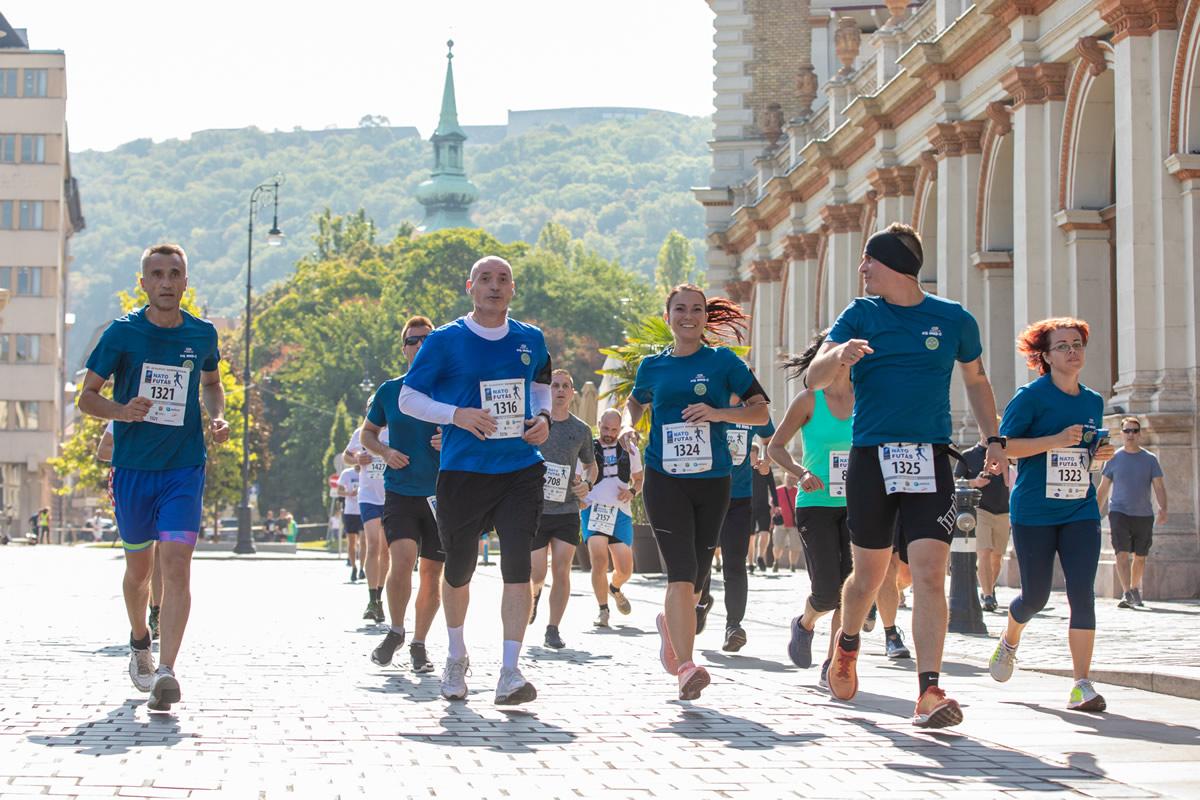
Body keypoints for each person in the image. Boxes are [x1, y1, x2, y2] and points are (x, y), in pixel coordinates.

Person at [805, 223, 1005, 728]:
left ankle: (929, 690)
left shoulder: (953, 318)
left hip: (930, 459)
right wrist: (839, 354)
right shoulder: (860, 314)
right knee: (869, 577)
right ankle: (847, 645)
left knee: (929, 574)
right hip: (872, 459)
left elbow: (977, 380)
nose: (862, 269)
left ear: (892, 263)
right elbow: (813, 377)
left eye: (868, 259)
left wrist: (994, 439)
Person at [78, 243, 228, 712]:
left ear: (186, 281)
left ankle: (167, 671)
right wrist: (122, 411)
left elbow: (211, 383)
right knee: (138, 572)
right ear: (143, 283)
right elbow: (87, 397)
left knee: (177, 565)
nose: (166, 282)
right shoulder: (123, 334)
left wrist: (217, 416)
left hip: (184, 467)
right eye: (157, 274)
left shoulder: (202, 334)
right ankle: (140, 642)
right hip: (133, 469)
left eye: (175, 273)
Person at [398, 255, 552, 705]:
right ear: (471, 287)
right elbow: (409, 397)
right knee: (459, 568)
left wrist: (542, 416)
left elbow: (540, 383)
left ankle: (510, 671)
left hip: (520, 467)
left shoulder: (530, 338)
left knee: (517, 566)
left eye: (503, 279)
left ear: (513, 289)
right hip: (464, 471)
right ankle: (456, 654)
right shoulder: (446, 340)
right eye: (486, 279)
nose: (494, 286)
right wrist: (456, 416)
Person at [623, 283, 769, 700]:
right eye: (680, 309)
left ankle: (671, 626)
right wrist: (632, 424)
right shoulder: (652, 366)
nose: (689, 316)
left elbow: (760, 410)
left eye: (697, 310)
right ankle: (687, 668)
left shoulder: (723, 362)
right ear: (667, 316)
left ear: (706, 318)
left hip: (714, 479)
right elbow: (636, 402)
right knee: (681, 573)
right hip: (664, 479)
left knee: (699, 583)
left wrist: (718, 412)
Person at [989, 317, 1115, 712]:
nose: (1073, 351)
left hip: (1079, 509)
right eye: (1063, 346)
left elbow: (1083, 454)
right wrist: (1055, 441)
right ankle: (1011, 636)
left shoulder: (1093, 400)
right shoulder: (1030, 397)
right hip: (1034, 511)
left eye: (1077, 344)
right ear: (1044, 356)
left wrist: (1098, 455)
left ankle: (1082, 684)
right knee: (1036, 596)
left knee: (1083, 594)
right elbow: (1005, 448)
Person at [770, 329, 857, 686]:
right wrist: (800, 472)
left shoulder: (867, 398)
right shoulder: (809, 400)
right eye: (835, 351)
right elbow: (776, 447)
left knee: (851, 590)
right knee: (826, 590)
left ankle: (835, 662)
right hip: (816, 503)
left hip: (858, 504)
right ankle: (805, 623)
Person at [359, 315, 445, 673]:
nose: (420, 345)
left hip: (443, 494)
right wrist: (385, 451)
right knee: (401, 561)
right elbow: (367, 434)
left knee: (431, 574)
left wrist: (453, 440)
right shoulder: (390, 390)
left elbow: (479, 427)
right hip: (401, 492)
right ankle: (396, 629)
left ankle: (419, 644)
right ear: (404, 348)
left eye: (427, 338)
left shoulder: (450, 389)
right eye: (413, 340)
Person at [529, 369, 597, 649]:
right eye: (554, 385)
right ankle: (532, 597)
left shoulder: (580, 429)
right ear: (548, 391)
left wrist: (587, 486)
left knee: (561, 569)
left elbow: (591, 465)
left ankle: (553, 628)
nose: (559, 390)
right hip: (535, 509)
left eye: (564, 386)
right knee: (536, 573)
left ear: (572, 393)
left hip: (567, 509)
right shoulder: (533, 422)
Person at [702, 407, 774, 651]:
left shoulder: (754, 412)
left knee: (735, 563)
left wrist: (766, 459)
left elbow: (771, 437)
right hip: (707, 495)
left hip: (740, 498)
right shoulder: (711, 402)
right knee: (702, 560)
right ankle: (700, 603)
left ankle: (734, 626)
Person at [98, 421, 163, 640]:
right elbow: (103, 449)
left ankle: (157, 611)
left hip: (168, 482)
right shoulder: (125, 413)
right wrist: (139, 452)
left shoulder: (174, 409)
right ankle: (146, 619)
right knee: (146, 555)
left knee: (164, 551)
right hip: (133, 485)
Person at [1096, 416, 1167, 609]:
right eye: (1127, 431)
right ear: (1121, 433)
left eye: (1134, 431)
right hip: (1119, 512)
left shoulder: (1150, 459)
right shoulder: (1113, 458)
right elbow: (1103, 488)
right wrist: (1094, 512)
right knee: (1121, 553)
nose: (1131, 435)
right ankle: (1126, 591)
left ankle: (1135, 588)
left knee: (1140, 556)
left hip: (1143, 513)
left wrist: (1163, 508)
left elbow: (1159, 486)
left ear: (1140, 434)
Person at [582, 409, 642, 628]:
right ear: (599, 424)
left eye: (614, 429)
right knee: (599, 561)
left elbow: (638, 480)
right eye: (605, 428)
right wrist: (579, 497)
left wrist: (632, 492)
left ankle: (615, 588)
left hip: (620, 513)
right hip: (594, 510)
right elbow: (576, 478)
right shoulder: (586, 449)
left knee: (625, 569)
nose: (609, 433)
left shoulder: (631, 449)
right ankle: (603, 609)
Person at [955, 422, 1012, 611]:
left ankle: (989, 588)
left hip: (1004, 510)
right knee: (985, 552)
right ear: (981, 430)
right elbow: (955, 481)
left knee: (997, 556)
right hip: (980, 509)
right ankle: (988, 595)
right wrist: (975, 482)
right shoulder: (968, 455)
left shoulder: (1006, 454)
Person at [345, 417, 390, 624]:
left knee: (385, 550)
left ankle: (380, 598)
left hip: (392, 495)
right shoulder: (361, 433)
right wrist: (356, 460)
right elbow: (347, 456)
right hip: (368, 497)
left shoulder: (397, 430)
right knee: (372, 545)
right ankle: (372, 600)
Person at [749, 453, 778, 573]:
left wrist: (776, 504)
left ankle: (760, 556)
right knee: (750, 537)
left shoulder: (765, 468)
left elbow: (772, 486)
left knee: (765, 533)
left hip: (763, 507)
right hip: (748, 507)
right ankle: (750, 563)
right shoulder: (743, 468)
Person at [336, 464, 364, 582]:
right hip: (350, 511)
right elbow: (339, 491)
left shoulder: (367, 472)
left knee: (364, 541)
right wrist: (349, 493)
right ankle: (353, 567)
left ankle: (362, 568)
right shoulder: (347, 473)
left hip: (364, 510)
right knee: (351, 542)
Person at [773, 474, 802, 571]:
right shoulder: (778, 490)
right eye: (788, 477)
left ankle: (793, 565)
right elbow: (772, 505)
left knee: (795, 546)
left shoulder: (798, 491)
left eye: (792, 478)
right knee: (778, 545)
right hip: (780, 523)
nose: (790, 480)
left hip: (794, 523)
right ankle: (776, 561)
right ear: (784, 478)